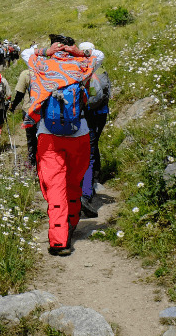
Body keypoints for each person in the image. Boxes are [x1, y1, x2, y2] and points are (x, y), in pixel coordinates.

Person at [21, 35, 97, 256]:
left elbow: (27, 53)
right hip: (80, 132)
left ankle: (58, 240)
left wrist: (46, 51)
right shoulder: (83, 65)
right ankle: (71, 224)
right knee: (74, 183)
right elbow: (98, 55)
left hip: (49, 134)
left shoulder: (42, 64)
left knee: (55, 187)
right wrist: (78, 52)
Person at [79, 41, 110, 218]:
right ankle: (89, 188)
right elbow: (99, 54)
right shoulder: (96, 66)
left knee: (86, 152)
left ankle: (85, 190)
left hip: (84, 115)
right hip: (100, 113)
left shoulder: (77, 68)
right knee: (92, 148)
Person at [9, 50, 39, 167]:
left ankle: (32, 162)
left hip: (29, 110)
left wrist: (13, 107)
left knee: (31, 138)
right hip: (45, 110)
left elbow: (19, 94)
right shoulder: (46, 72)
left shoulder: (26, 74)